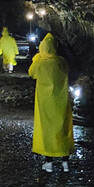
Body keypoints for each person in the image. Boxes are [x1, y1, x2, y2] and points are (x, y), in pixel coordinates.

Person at [28, 33, 73, 173]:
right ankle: (65, 162)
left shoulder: (39, 63)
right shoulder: (60, 62)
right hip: (61, 100)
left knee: (47, 129)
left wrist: (36, 58)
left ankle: (48, 163)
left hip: (45, 102)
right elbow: (67, 70)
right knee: (63, 128)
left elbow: (31, 73)